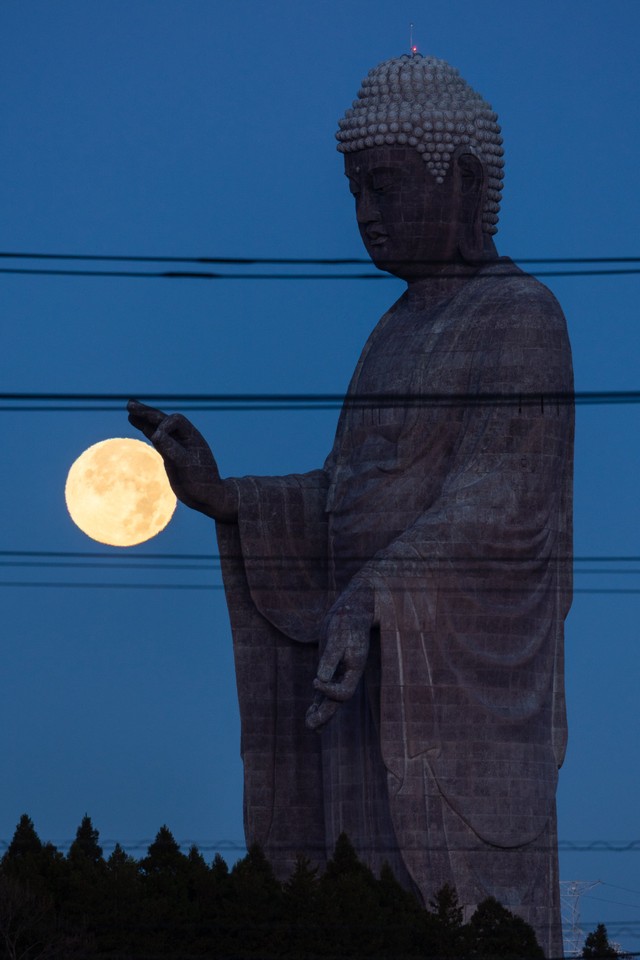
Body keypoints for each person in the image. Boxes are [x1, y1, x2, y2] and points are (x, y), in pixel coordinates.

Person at [129, 53, 573, 957]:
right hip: (366, 661)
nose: (365, 215)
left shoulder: (521, 316)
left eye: (384, 186)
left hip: (441, 674)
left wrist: (385, 584)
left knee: (448, 917)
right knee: (352, 895)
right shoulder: (392, 332)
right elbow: (345, 489)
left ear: (467, 183)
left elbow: (505, 498)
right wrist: (228, 498)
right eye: (355, 193)